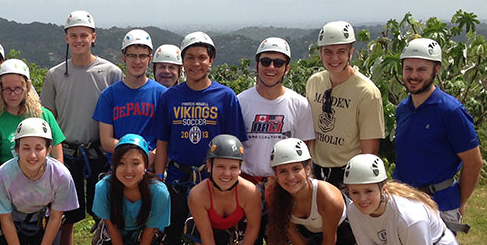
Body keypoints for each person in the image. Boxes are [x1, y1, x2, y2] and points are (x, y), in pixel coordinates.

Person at [150, 31, 248, 244]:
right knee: (174, 235)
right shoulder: (170, 97)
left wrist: (232, 179)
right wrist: (159, 178)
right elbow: (162, 141)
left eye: (202, 57)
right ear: (182, 62)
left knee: (215, 237)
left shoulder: (226, 97)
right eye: (190, 58)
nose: (196, 63)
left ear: (211, 60)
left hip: (214, 181)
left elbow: (235, 145)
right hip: (178, 179)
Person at [40, 10, 123, 244]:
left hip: (101, 153)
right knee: (66, 215)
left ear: (93, 37)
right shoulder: (55, 75)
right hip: (66, 153)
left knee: (105, 213)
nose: (79, 40)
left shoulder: (111, 73)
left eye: (84, 35)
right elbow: (48, 117)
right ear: (66, 38)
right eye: (74, 35)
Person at [393, 38, 483, 234]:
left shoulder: (450, 111)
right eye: (408, 69)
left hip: (439, 205)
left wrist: (459, 202)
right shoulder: (403, 109)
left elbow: (474, 162)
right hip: (404, 203)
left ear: (436, 70)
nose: (413, 75)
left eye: (421, 69)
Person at [305, 21, 384, 188]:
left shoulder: (367, 93)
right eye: (328, 52)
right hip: (315, 172)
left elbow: (369, 150)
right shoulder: (314, 83)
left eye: (341, 52)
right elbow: (309, 129)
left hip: (347, 176)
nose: (334, 58)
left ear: (351, 53)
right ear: (320, 53)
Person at [0, 118, 79, 245]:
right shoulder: (3, 175)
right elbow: (6, 220)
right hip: (13, 223)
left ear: (48, 150)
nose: (32, 155)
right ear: (17, 150)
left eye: (38, 148)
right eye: (26, 148)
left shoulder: (60, 175)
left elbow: (55, 217)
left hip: (45, 221)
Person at [238, 37, 315, 184]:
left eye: (278, 63)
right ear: (256, 65)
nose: (271, 67)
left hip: (284, 185)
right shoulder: (240, 102)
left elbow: (304, 152)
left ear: (287, 68)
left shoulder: (300, 105)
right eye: (265, 61)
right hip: (247, 183)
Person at [342, 154, 457, 245]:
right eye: (355, 192)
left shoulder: (409, 219)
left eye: (369, 191)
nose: (362, 199)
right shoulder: (353, 211)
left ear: (383, 189)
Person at [0, 59, 65, 178]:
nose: (12, 94)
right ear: (0, 89)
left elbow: (58, 161)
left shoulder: (45, 116)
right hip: (10, 186)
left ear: (27, 88)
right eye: (7, 89)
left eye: (18, 89)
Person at [92, 29, 167, 157]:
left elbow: (167, 136)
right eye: (132, 56)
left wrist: (153, 155)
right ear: (123, 57)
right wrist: (137, 156)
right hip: (120, 164)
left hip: (152, 164)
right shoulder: (109, 96)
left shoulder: (162, 95)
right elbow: (106, 140)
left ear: (150, 59)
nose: (137, 61)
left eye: (142, 56)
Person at [265, 138, 354, 245]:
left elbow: (329, 240)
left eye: (296, 169)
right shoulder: (274, 194)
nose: (290, 177)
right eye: (283, 171)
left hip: (344, 231)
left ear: (307, 169)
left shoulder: (327, 197)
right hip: (310, 232)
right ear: (276, 174)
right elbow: (292, 233)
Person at [92, 134, 170, 245]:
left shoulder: (159, 192)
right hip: (113, 235)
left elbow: (150, 230)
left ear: (145, 166)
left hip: (145, 235)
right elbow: (112, 227)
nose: (128, 170)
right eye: (121, 163)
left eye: (135, 163)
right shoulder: (103, 188)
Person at [186, 135, 261, 245]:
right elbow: (207, 236)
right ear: (209, 165)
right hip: (207, 232)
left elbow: (252, 227)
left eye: (233, 168)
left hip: (238, 230)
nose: (227, 174)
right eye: (220, 167)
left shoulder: (250, 192)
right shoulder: (198, 195)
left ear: (240, 169)